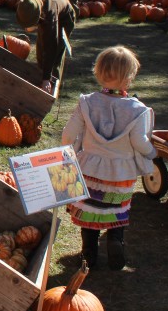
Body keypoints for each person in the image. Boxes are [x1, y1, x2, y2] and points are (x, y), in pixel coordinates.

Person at [62, 46, 157, 269]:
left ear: (98, 72)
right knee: (117, 209)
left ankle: (89, 252)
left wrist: (66, 152)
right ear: (129, 77)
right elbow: (140, 141)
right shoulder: (138, 110)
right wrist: (152, 153)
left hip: (89, 169)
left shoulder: (86, 102)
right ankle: (115, 240)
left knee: (90, 209)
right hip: (120, 174)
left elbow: (68, 134)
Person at [15, 0, 77, 92]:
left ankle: (51, 86)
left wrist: (46, 78)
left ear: (39, 15)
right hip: (46, 5)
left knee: (55, 54)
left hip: (65, 16)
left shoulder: (50, 12)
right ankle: (40, 78)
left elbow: (51, 46)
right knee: (41, 48)